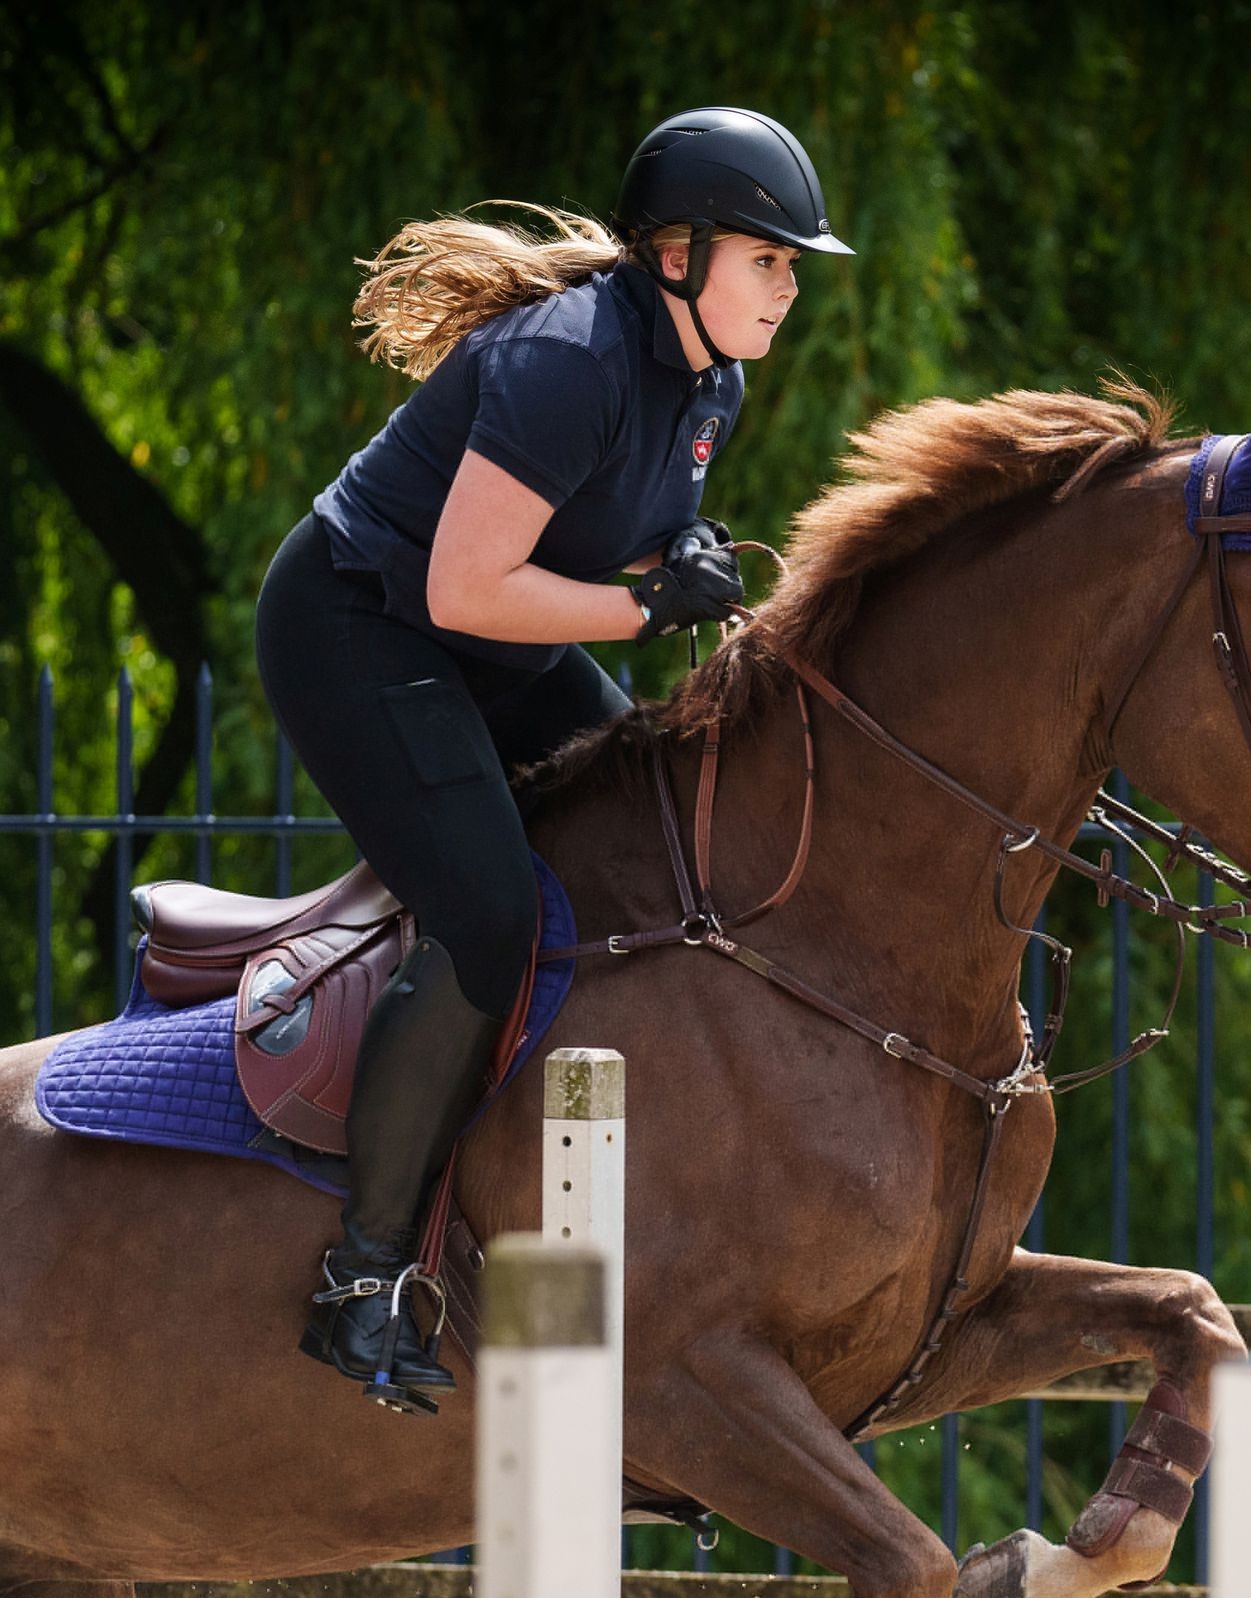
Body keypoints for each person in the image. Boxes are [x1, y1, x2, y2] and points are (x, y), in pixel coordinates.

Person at [253, 106, 852, 1412]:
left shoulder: (712, 383)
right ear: (681, 254)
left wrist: (665, 567)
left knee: (648, 820)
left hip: (472, 638)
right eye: (772, 259)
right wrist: (647, 609)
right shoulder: (572, 357)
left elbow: (579, 541)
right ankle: (362, 1280)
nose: (792, 285)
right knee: (488, 913)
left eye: (797, 265)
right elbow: (469, 588)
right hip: (359, 625)